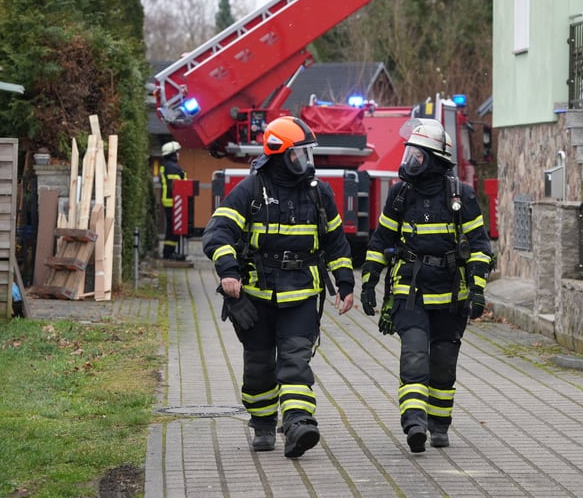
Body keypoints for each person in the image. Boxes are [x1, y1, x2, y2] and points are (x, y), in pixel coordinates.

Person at [202, 116, 356, 458]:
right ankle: (262, 423)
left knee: (295, 360)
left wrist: (345, 283)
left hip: (301, 294)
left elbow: (336, 243)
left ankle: (300, 423)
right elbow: (217, 233)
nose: (307, 161)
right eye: (300, 154)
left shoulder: (319, 193)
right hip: (256, 297)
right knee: (259, 368)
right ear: (280, 154)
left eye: (308, 153)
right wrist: (228, 271)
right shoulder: (251, 190)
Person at [359, 119, 492, 453]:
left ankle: (439, 424)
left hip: (452, 295)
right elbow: (381, 239)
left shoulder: (461, 195)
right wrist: (369, 280)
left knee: (443, 364)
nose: (410, 161)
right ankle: (414, 421)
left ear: (434, 160)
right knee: (415, 356)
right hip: (411, 290)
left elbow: (479, 245)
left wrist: (477, 289)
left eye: (417, 156)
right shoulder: (400, 194)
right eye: (410, 154)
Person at [159, 140, 187, 260]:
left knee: (171, 228)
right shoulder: (173, 168)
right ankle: (168, 253)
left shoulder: (166, 165)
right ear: (172, 154)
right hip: (174, 201)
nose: (178, 155)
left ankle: (169, 252)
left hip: (170, 200)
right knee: (173, 229)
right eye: (177, 152)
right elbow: (179, 186)